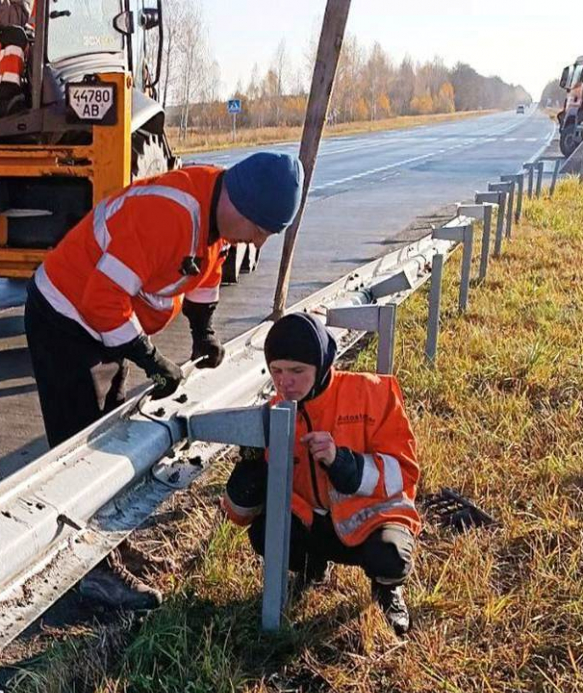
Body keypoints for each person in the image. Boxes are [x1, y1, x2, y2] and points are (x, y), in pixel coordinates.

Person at [25, 152, 304, 609]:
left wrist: (203, 331)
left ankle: (107, 545)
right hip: (65, 318)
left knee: (110, 440)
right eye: (261, 230)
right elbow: (102, 299)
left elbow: (204, 270)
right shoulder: (170, 213)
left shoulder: (216, 211)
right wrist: (149, 357)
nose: (259, 241)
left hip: (101, 325)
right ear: (243, 205)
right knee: (79, 448)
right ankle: (87, 574)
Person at [222, 314, 420, 634]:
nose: (285, 382)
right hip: (314, 523)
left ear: (322, 365)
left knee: (390, 555)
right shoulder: (273, 413)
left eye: (297, 371)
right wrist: (250, 464)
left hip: (370, 521)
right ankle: (312, 569)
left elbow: (404, 472)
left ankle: (387, 588)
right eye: (277, 371)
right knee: (263, 534)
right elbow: (238, 514)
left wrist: (342, 462)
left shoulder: (372, 392)